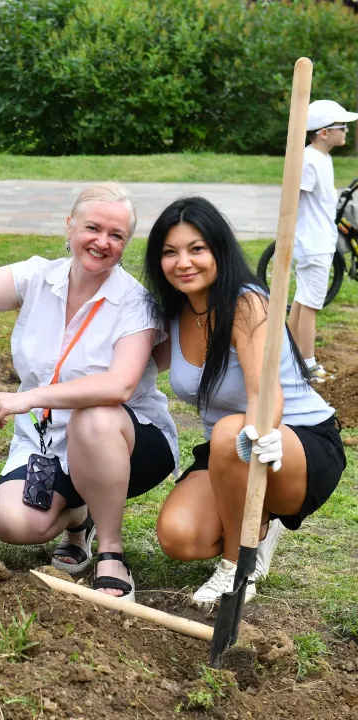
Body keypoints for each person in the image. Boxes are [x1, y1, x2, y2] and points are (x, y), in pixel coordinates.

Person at [0, 176, 178, 602]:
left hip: (126, 441)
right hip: (46, 443)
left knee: (94, 417)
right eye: (93, 228)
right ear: (70, 226)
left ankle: (111, 552)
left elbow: (118, 386)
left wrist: (28, 398)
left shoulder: (136, 303)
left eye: (116, 235)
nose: (102, 242)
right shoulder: (37, 278)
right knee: (12, 524)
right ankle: (79, 517)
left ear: (126, 243)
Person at [144, 196, 346, 606]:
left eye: (196, 249)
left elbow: (263, 392)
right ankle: (258, 521)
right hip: (227, 452)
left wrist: (262, 430)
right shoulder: (175, 311)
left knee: (229, 431)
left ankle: (239, 566)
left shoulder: (247, 302)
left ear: (218, 249)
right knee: (179, 537)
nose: (183, 262)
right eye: (170, 252)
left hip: (295, 442)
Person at [288, 99, 358, 382]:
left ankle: (291, 358)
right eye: (342, 127)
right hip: (313, 244)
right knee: (311, 305)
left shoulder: (319, 158)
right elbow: (292, 197)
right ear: (324, 132)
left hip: (315, 242)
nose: (347, 132)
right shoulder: (309, 161)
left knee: (302, 300)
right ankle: (307, 365)